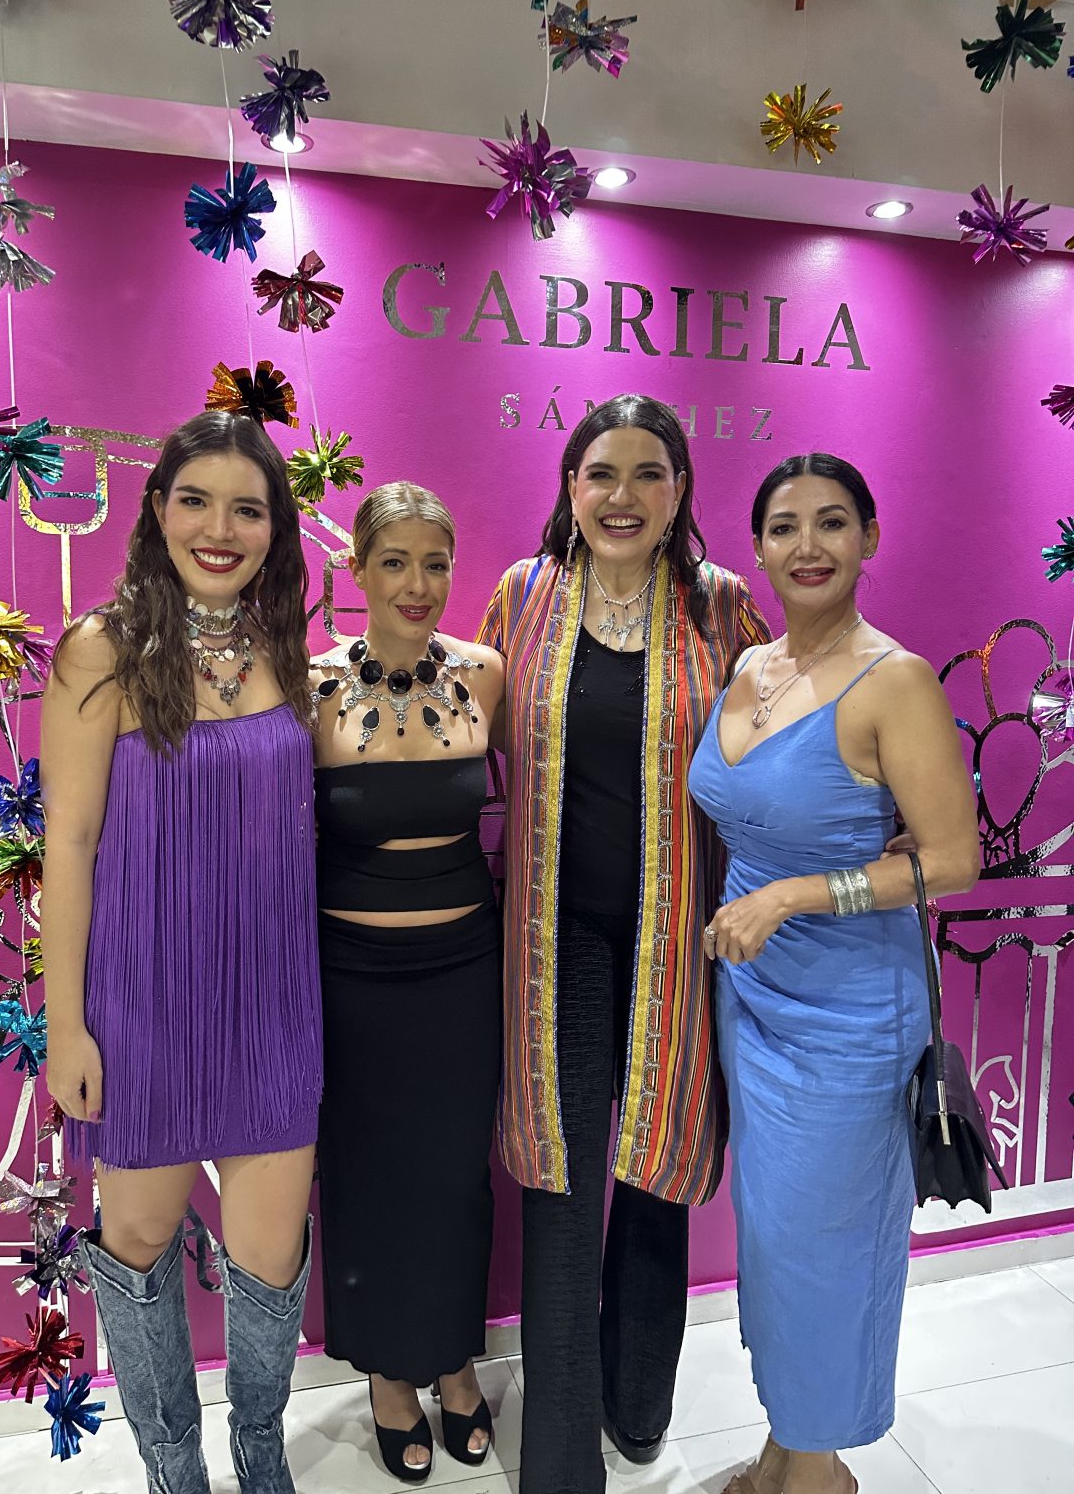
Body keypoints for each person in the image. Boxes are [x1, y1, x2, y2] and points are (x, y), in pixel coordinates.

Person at [477, 394, 772, 1493]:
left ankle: (639, 1407)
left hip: (680, 941)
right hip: (552, 945)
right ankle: (561, 1465)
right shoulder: (523, 596)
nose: (623, 495)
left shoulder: (720, 605)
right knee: (561, 1190)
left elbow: (782, 744)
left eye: (650, 474)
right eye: (602, 472)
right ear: (570, 485)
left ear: (680, 491)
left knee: (656, 1179)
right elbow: (459, 731)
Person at [687, 452, 980, 1494]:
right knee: (775, 1241)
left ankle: (820, 1472)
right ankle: (786, 1447)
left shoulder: (894, 679)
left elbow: (952, 860)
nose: (807, 546)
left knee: (827, 1245)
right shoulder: (750, 666)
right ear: (757, 547)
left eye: (832, 522)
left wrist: (793, 896)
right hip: (753, 999)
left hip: (850, 1013)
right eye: (784, 527)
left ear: (869, 539)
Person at [41, 412, 322, 1494]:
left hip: (271, 996)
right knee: (139, 1243)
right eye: (196, 501)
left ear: (273, 529)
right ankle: (173, 1469)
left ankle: (260, 1453)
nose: (220, 528)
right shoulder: (101, 648)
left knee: (270, 1255)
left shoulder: (285, 646)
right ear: (157, 509)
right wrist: (68, 1026)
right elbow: (69, 843)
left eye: (247, 509)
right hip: (144, 998)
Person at [311, 481, 505, 1483]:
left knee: (453, 1177)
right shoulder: (308, 685)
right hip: (348, 977)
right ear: (357, 568)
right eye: (394, 562)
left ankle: (455, 1360)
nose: (417, 583)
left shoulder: (485, 673)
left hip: (463, 973)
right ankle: (390, 1375)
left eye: (435, 563)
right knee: (366, 1176)